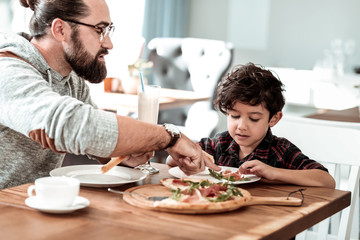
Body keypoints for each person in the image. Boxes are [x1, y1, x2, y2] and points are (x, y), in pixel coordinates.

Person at [0, 0, 220, 189]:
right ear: (60, 30)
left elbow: (96, 138)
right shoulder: (7, 70)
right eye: (99, 30)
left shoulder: (70, 80)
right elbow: (71, 125)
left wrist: (128, 153)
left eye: (108, 30)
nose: (108, 43)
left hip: (30, 205)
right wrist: (169, 137)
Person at [167, 63, 335, 188]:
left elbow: (327, 181)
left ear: (273, 119)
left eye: (254, 118)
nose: (241, 126)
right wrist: (188, 157)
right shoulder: (219, 144)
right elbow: (170, 161)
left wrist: (274, 172)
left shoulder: (280, 150)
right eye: (234, 116)